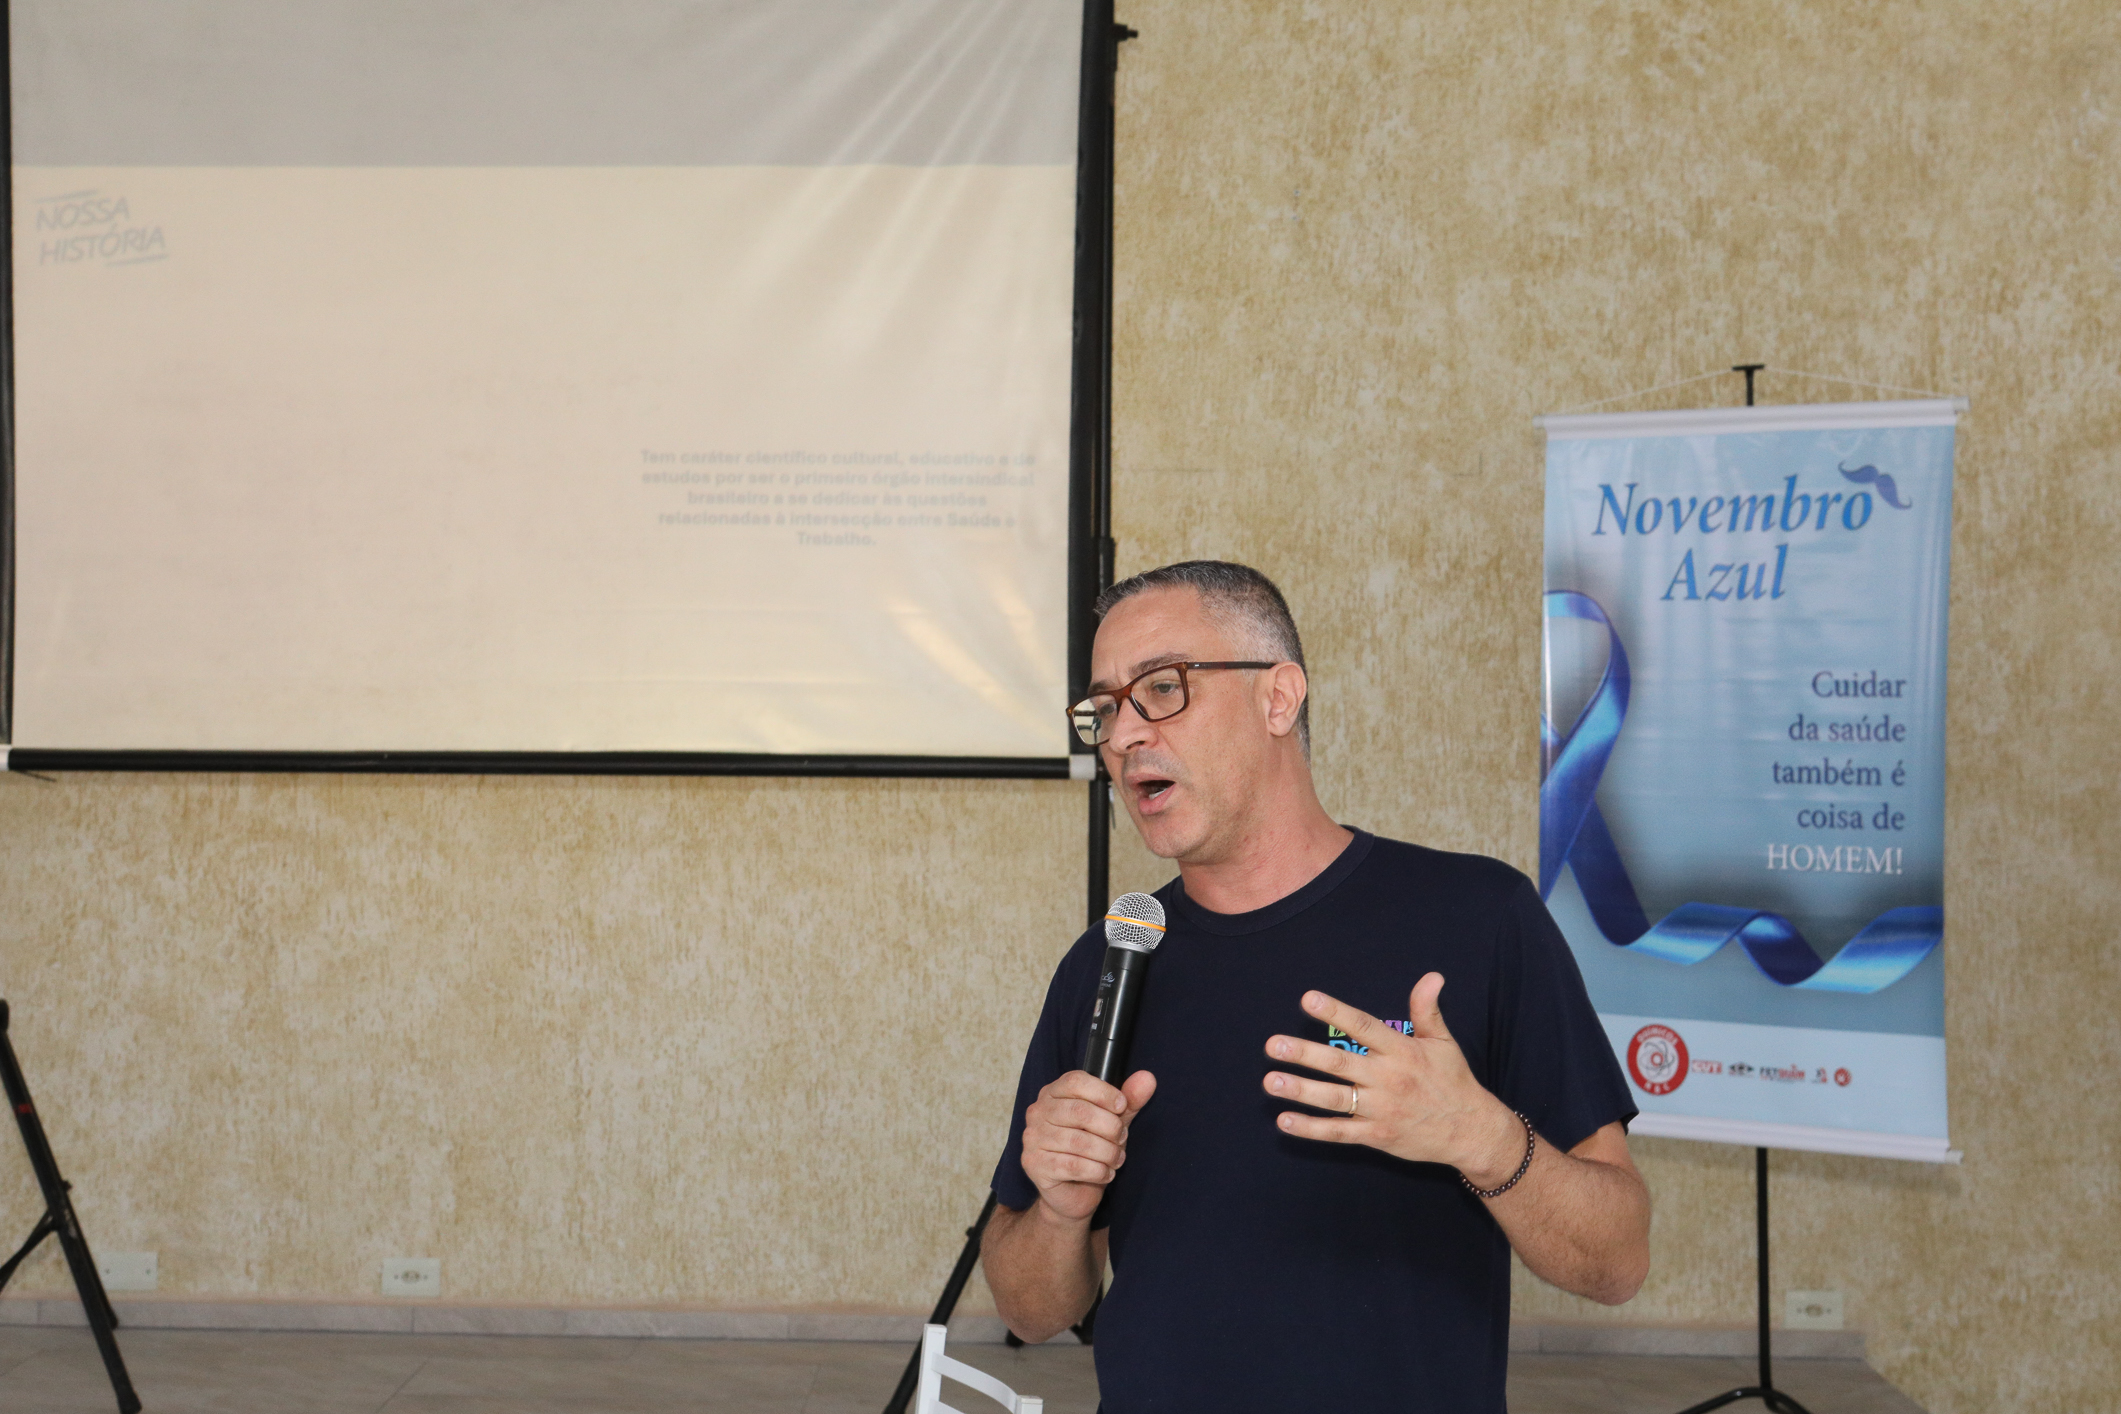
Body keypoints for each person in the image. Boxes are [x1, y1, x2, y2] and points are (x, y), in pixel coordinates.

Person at [980, 560, 1649, 1412]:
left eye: (1161, 688)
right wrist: (1061, 1212)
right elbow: (1028, 1310)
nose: (1121, 735)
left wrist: (1481, 1138)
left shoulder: (1477, 919)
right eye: (1105, 707)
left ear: (1278, 697)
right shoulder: (1108, 964)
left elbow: (1617, 1263)